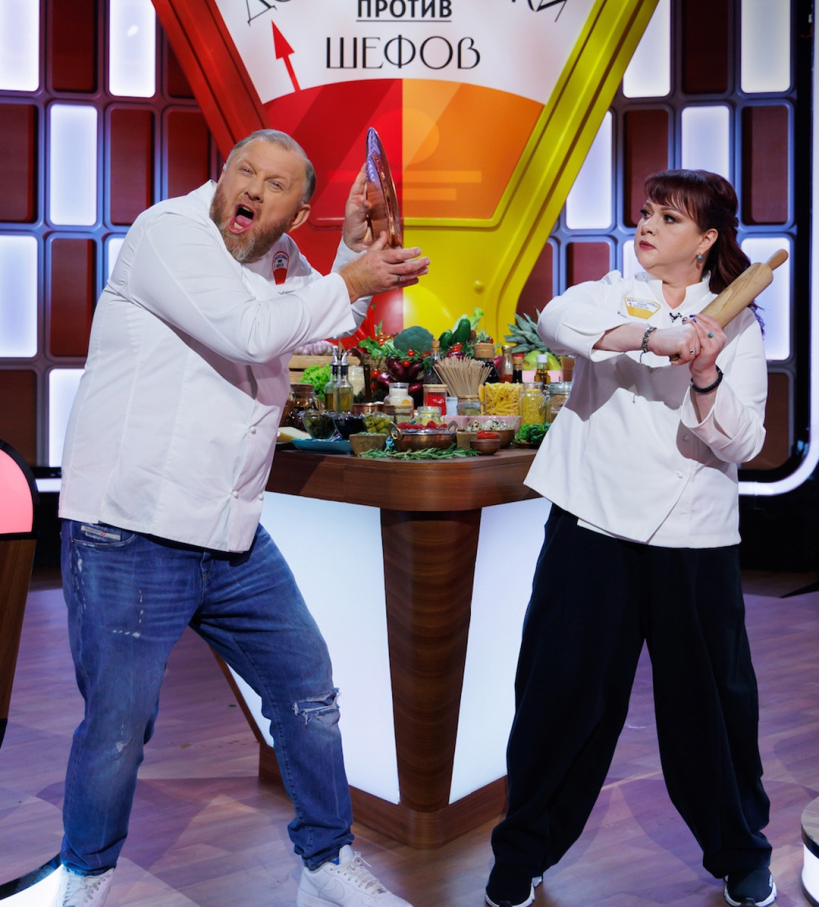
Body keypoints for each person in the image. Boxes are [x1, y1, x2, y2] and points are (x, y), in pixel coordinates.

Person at [56, 129, 429, 907]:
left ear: (297, 212)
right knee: (120, 729)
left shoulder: (278, 256)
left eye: (276, 184)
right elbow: (248, 331)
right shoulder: (169, 233)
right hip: (131, 527)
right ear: (222, 176)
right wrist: (350, 276)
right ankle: (84, 880)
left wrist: (349, 261)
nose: (252, 188)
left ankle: (323, 863)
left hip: (230, 534)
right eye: (243, 171)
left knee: (307, 690)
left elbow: (316, 321)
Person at [486, 169, 775, 907]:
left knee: (710, 707)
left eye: (669, 218)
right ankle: (522, 850)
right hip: (592, 526)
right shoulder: (611, 293)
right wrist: (658, 337)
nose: (647, 225)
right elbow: (557, 322)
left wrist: (704, 373)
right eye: (646, 212)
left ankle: (740, 851)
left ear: (706, 240)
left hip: (694, 536)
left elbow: (744, 444)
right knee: (559, 695)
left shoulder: (738, 324)